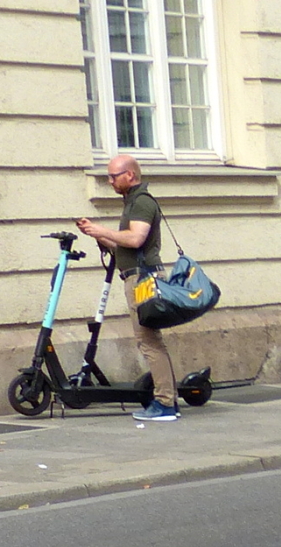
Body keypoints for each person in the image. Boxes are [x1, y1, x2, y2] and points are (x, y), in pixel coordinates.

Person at [75, 156, 181, 423]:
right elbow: (125, 246)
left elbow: (135, 239)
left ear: (130, 175)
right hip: (135, 277)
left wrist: (103, 229)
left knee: (149, 341)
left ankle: (166, 403)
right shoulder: (132, 202)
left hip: (143, 280)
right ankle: (166, 401)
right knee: (149, 340)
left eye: (114, 176)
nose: (110, 181)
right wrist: (97, 235)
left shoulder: (142, 202)